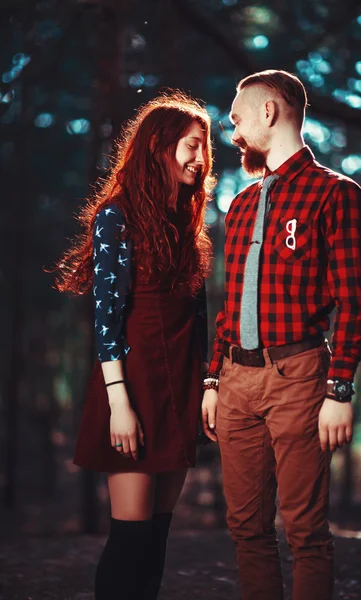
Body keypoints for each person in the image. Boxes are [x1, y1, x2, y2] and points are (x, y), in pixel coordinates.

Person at [202, 70, 361, 600]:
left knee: (304, 531)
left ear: (269, 112)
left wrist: (339, 389)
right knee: (246, 530)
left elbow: (353, 303)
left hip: (299, 377)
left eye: (236, 120)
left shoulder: (337, 194)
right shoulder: (242, 204)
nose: (231, 132)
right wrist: (212, 379)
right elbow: (230, 304)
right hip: (235, 381)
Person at [55, 91, 214, 600]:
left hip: (179, 386)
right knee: (129, 537)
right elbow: (107, 317)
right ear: (159, 147)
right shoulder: (116, 216)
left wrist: (208, 385)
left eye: (205, 148)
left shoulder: (186, 224)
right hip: (131, 387)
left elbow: (200, 317)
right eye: (191, 146)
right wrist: (119, 405)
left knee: (157, 539)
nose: (201, 158)